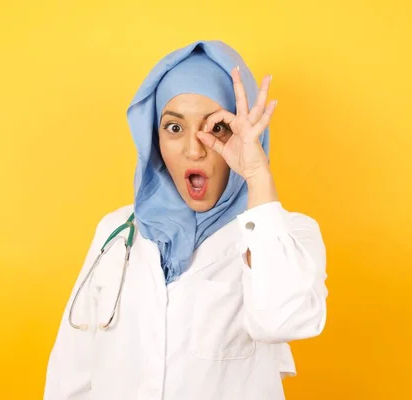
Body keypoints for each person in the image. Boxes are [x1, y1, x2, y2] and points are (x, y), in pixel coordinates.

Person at [43, 40, 328, 400]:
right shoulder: (116, 232)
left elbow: (281, 320)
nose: (194, 149)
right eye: (174, 128)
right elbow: (72, 370)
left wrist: (256, 175)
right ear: (153, 140)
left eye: (217, 128)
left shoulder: (287, 234)